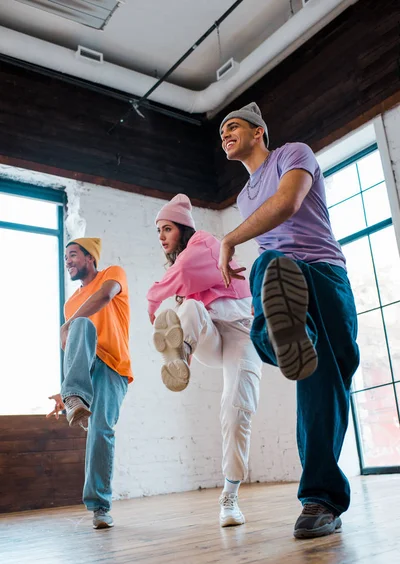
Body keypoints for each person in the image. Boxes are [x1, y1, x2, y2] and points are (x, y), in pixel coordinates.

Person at [218, 102, 360, 539]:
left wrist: (229, 239)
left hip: (326, 275)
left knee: (327, 384)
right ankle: (284, 337)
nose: (225, 134)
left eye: (233, 126)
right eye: (221, 131)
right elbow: (267, 237)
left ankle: (320, 502)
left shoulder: (293, 153)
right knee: (268, 266)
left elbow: (288, 201)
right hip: (286, 273)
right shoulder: (243, 196)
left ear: (259, 131)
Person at [147, 194, 262, 527]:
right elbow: (183, 288)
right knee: (190, 309)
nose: (162, 237)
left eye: (167, 229)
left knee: (236, 408)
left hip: (242, 332)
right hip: (209, 334)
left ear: (184, 229)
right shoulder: (188, 275)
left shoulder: (205, 243)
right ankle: (180, 352)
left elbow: (180, 270)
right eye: (158, 232)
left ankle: (230, 497)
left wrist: (151, 302)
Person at [47, 237, 133, 529]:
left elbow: (105, 297)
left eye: (73, 255)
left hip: (113, 366)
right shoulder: (70, 303)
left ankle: (99, 506)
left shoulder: (112, 274)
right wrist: (65, 390)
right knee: (80, 324)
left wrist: (68, 324)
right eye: (66, 257)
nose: (68, 261)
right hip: (86, 366)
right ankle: (74, 397)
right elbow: (73, 351)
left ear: (89, 258)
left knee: (101, 430)